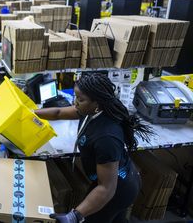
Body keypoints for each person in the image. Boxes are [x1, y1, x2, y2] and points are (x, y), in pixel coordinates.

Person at [34, 73, 153, 223]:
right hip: (115, 179)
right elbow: (58, 113)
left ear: (96, 102)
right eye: (76, 97)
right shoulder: (90, 110)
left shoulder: (106, 138)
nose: (75, 103)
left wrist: (74, 216)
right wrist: (30, 114)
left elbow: (106, 189)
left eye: (80, 99)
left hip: (117, 190)